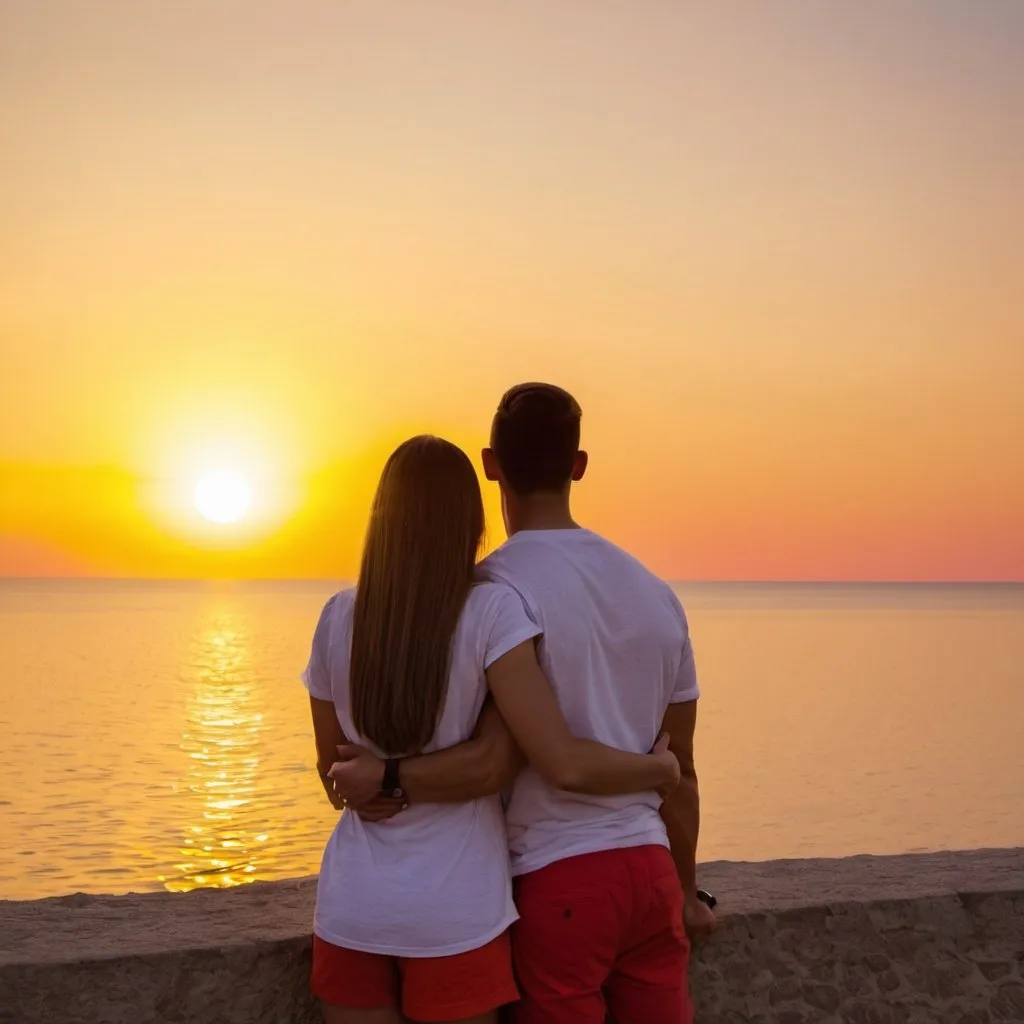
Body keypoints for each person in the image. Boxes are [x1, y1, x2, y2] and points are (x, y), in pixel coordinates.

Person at [329, 385, 715, 1024]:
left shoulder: (488, 594)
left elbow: (495, 755)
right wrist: (686, 891)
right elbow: (685, 769)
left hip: (556, 879)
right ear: (578, 465)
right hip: (648, 873)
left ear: (491, 464)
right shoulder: (657, 595)